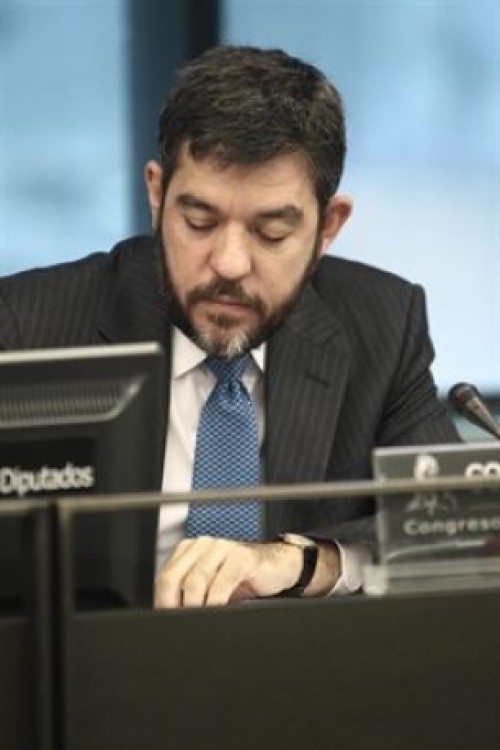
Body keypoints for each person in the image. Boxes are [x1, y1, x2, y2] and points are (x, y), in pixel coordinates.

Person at [0, 45, 459, 608]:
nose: (230, 264)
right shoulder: (27, 327)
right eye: (199, 222)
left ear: (329, 226)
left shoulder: (382, 324)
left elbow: (448, 530)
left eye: (270, 233)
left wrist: (303, 561)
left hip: (303, 661)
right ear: (156, 195)